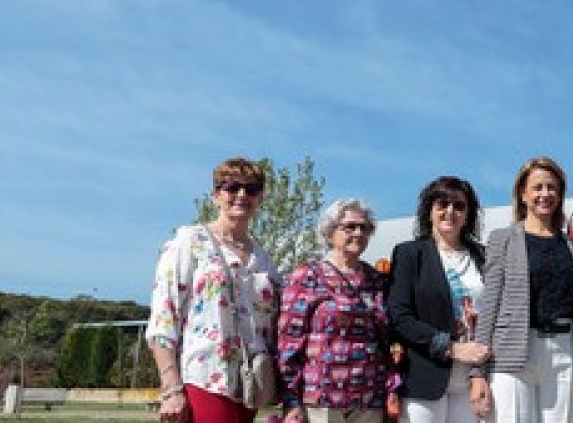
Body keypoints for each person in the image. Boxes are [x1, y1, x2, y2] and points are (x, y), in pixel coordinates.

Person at [146, 157, 281, 423]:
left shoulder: (263, 258)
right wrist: (172, 389)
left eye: (251, 189)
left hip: (250, 383)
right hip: (205, 378)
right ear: (216, 195)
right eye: (232, 187)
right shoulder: (190, 242)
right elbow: (164, 317)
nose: (242, 195)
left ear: (260, 198)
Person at [473, 156, 573, 422]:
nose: (545, 194)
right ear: (523, 194)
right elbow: (489, 304)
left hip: (564, 351)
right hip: (512, 353)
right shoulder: (503, 239)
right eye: (537, 187)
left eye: (552, 187)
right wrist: (477, 372)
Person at [278, 198, 394, 423]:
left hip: (370, 399)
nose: (358, 233)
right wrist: (291, 400)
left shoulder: (377, 280)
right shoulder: (308, 275)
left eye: (364, 228)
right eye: (350, 226)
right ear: (330, 232)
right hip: (322, 400)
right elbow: (289, 342)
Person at [387, 176, 491, 423]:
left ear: (469, 214)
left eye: (459, 206)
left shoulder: (484, 256)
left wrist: (480, 369)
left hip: (473, 380)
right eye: (442, 204)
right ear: (429, 211)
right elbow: (400, 317)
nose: (450, 211)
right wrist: (451, 348)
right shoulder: (410, 254)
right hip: (425, 378)